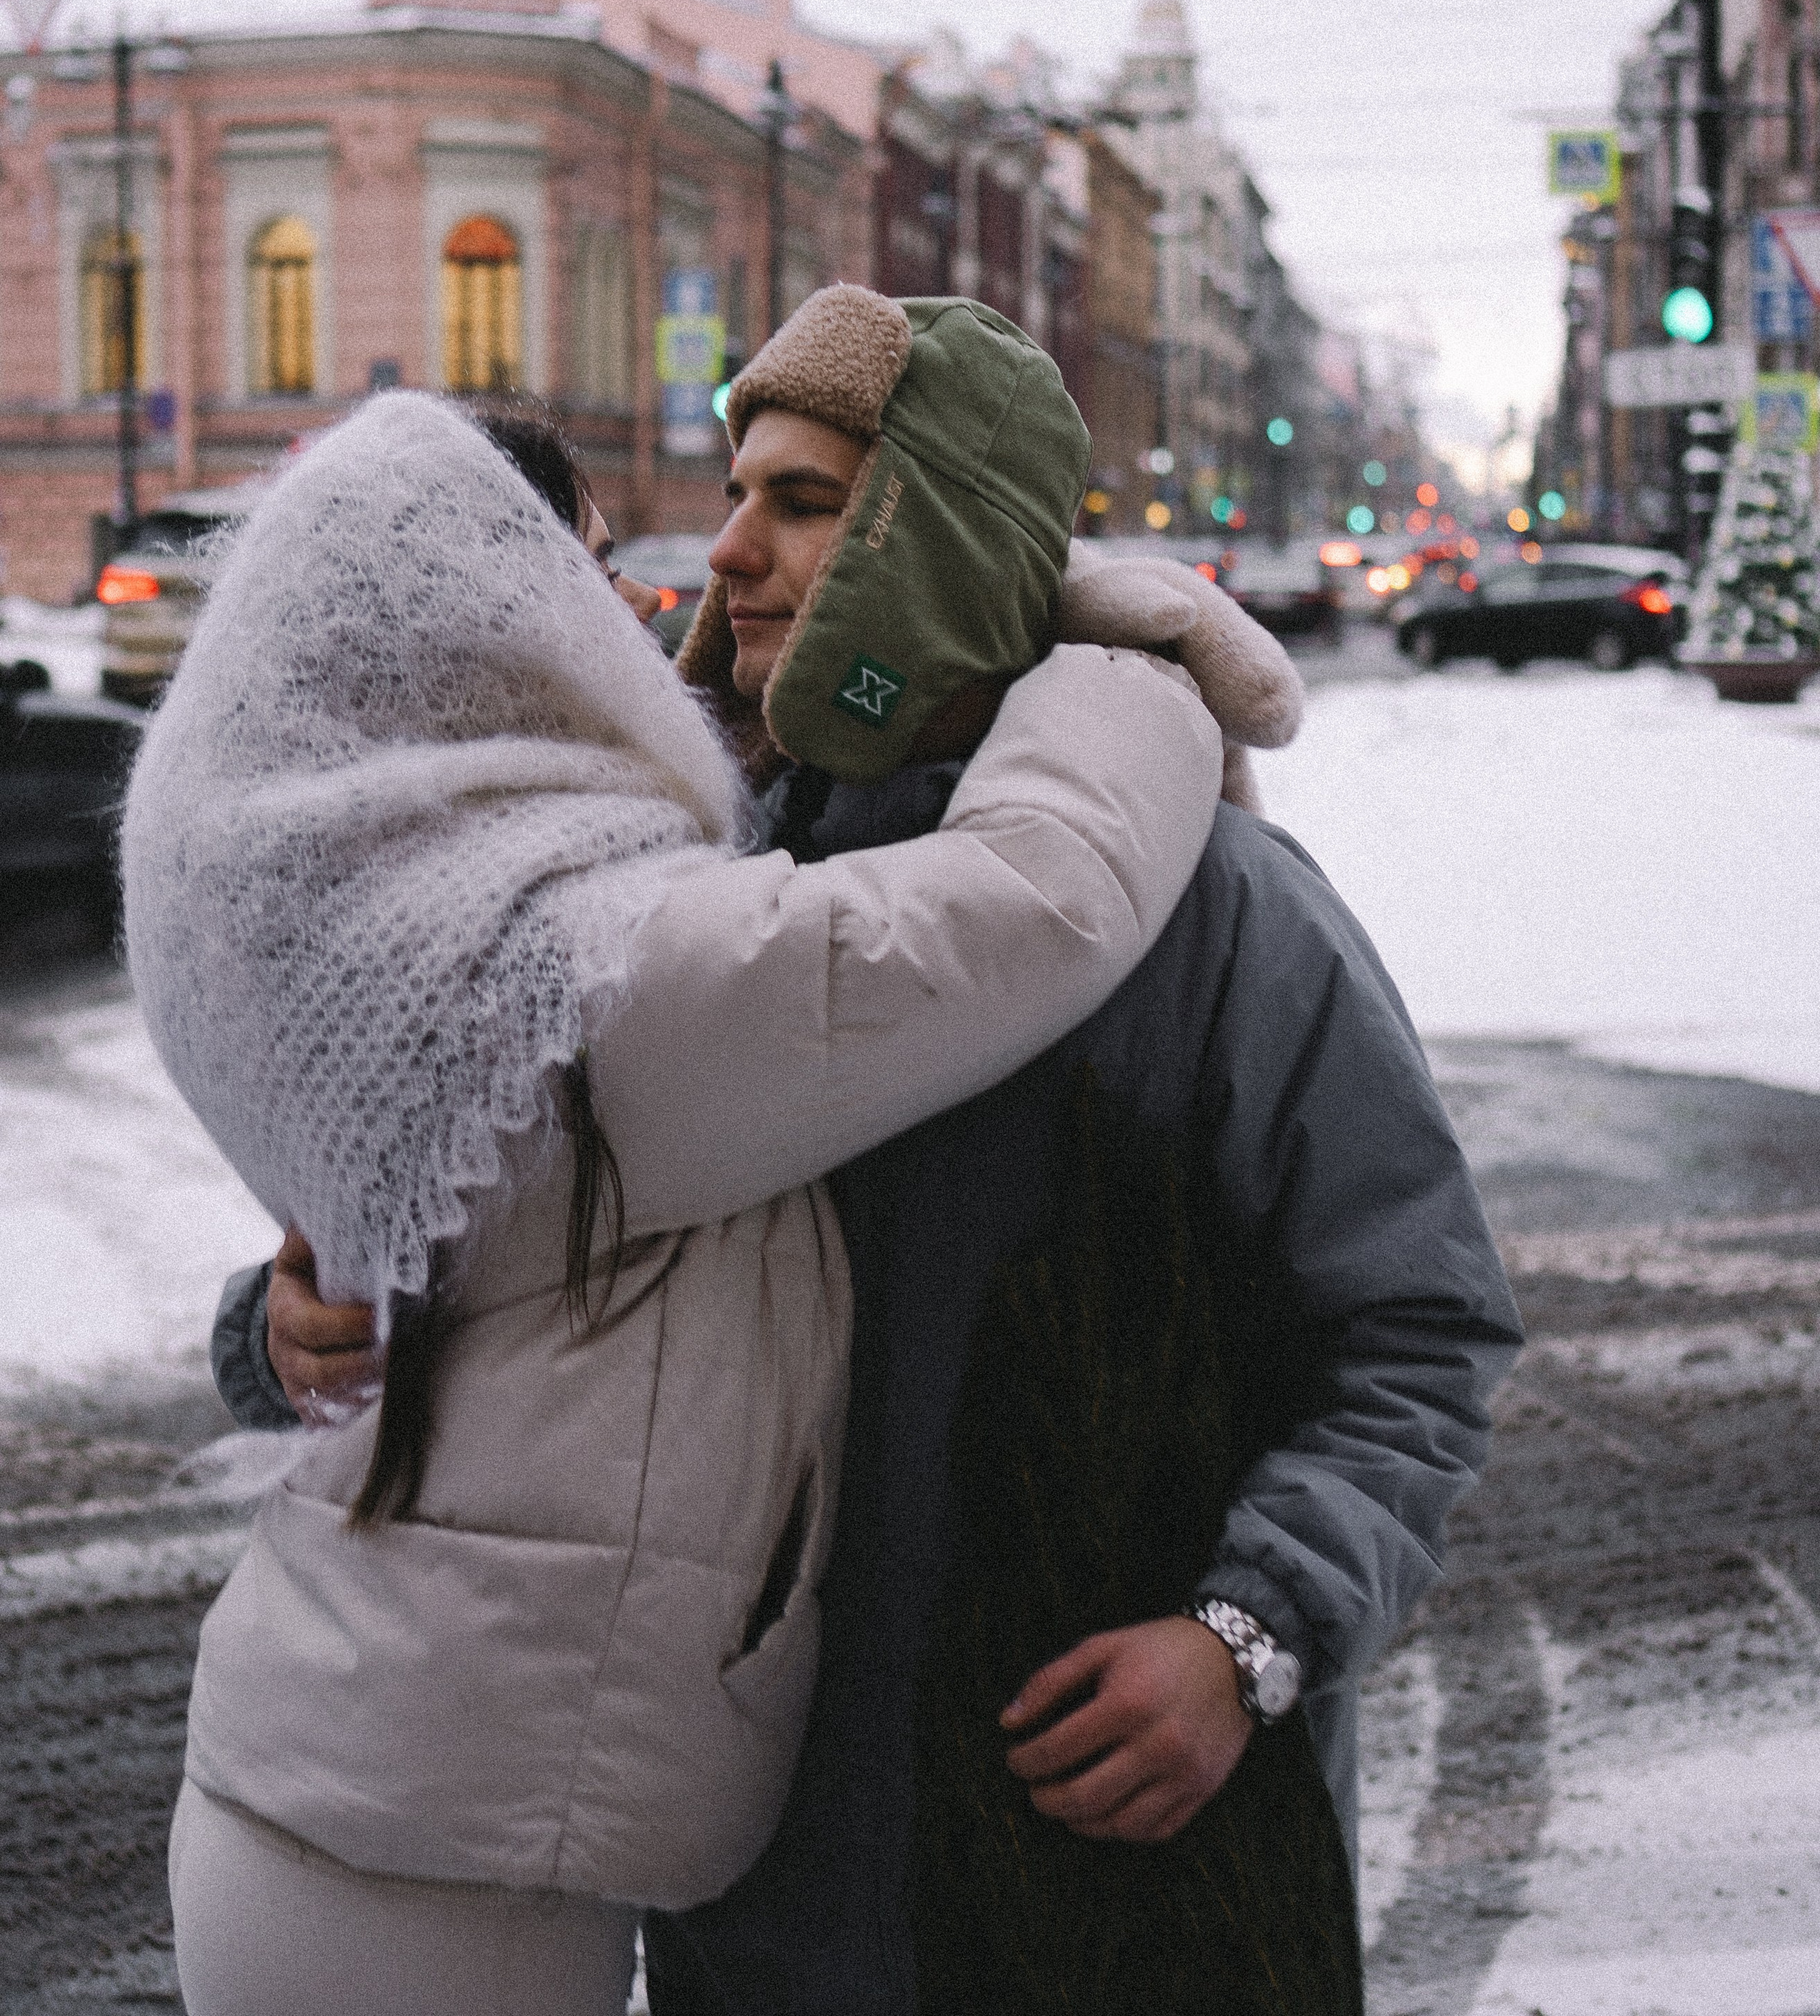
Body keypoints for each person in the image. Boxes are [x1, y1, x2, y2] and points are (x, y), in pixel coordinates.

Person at [213, 295, 1523, 2015]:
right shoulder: (678, 905)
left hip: (1123, 1890)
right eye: (740, 493)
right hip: (759, 1894)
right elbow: (502, 1246)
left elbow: (1413, 1332)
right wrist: (286, 1315)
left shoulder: (1221, 920)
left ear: (948, 545)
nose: (733, 552)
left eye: (811, 503)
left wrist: (1242, 1641)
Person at [129, 384, 1228, 2016]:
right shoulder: (584, 976)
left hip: (357, 1774)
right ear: (472, 620)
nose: (640, 624)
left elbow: (413, 1280)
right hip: (442, 1859)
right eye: (583, 585)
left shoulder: (364, 903)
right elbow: (1034, 899)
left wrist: (277, 1326)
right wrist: (1120, 665)